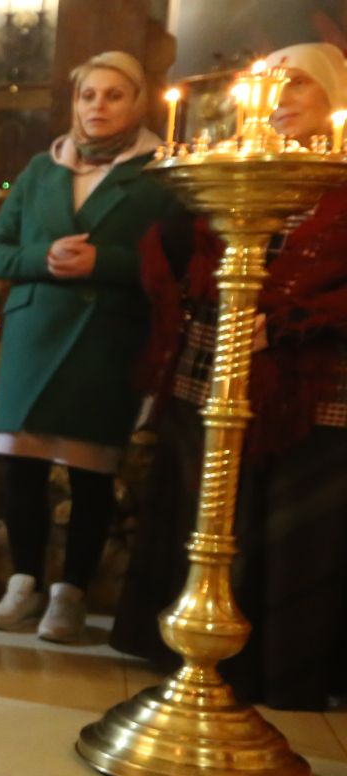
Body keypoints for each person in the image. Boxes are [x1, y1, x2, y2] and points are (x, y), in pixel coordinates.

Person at [113, 41, 347, 711]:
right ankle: (195, 655)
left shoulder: (339, 181)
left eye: (298, 84)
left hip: (314, 391)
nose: (282, 99)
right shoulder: (233, 168)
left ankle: (285, 671)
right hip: (215, 374)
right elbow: (181, 259)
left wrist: (295, 322)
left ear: (334, 96)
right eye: (270, 85)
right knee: (211, 512)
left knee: (298, 527)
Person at [0, 52, 179, 641]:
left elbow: (176, 263)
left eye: (113, 95)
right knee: (23, 468)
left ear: (138, 102)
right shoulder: (42, 169)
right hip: (32, 334)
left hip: (104, 338)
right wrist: (41, 259)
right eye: (87, 95)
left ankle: (71, 595)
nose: (97, 107)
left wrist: (107, 263)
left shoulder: (157, 175)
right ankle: (23, 584)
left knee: (92, 471)